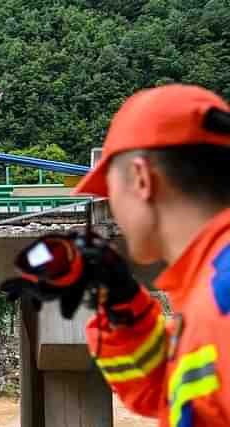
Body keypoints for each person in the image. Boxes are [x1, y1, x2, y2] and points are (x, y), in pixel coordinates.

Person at [74, 84, 230, 426]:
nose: (113, 210)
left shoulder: (222, 293)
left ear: (141, 179)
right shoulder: (209, 290)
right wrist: (122, 304)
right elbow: (170, 393)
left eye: (108, 193)